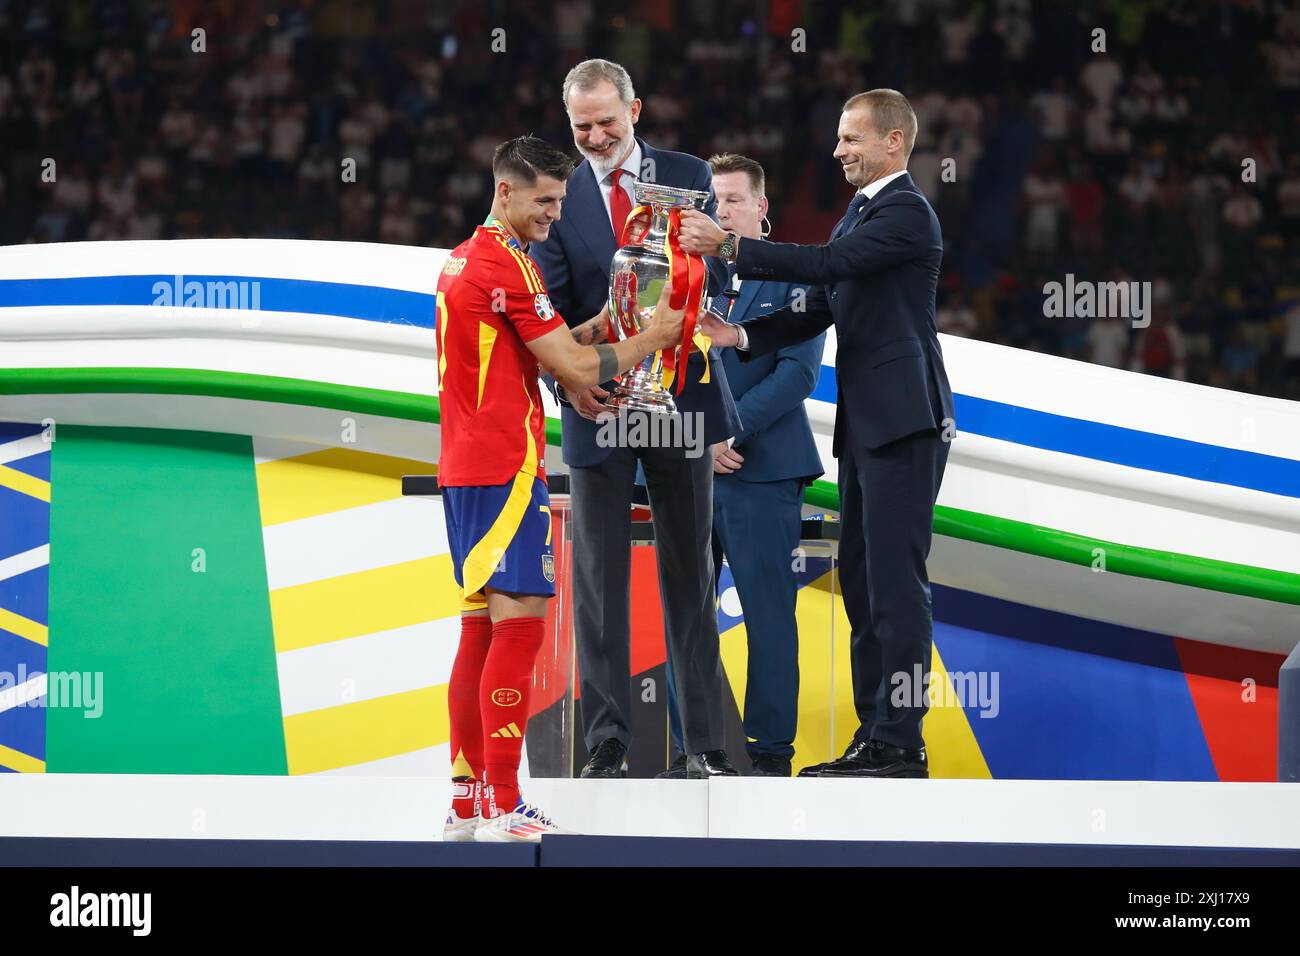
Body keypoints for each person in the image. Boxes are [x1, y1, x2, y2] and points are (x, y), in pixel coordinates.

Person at [680, 89, 954, 779]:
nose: (837, 151)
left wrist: (735, 247)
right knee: (864, 583)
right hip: (870, 427)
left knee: (895, 585)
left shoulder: (907, 213)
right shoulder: (861, 214)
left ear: (894, 141)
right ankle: (877, 737)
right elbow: (818, 305)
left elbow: (827, 270)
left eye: (851, 138)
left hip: (906, 421)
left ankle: (901, 743)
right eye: (837, 138)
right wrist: (740, 331)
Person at [438, 135, 684, 843]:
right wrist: (651, 337)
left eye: (562, 200)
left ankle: (468, 798)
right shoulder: (503, 265)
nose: (555, 213)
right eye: (545, 200)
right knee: (520, 626)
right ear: (506, 191)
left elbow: (536, 352)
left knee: (481, 629)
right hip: (502, 467)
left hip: (472, 465)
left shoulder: (475, 257)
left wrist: (607, 324)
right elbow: (574, 368)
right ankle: (506, 799)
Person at [531, 58, 741, 779]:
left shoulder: (688, 175)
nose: (593, 136)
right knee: (598, 582)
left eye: (605, 122)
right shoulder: (555, 194)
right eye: (581, 125)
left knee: (689, 575)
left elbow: (719, 274)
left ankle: (703, 745)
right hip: (597, 407)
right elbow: (547, 309)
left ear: (636, 110)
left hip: (679, 399)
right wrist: (572, 385)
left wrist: (705, 269)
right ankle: (608, 742)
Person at [704, 153, 825, 778]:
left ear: (760, 208)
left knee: (769, 616)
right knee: (684, 618)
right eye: (711, 200)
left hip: (763, 469)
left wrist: (726, 428)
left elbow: (798, 374)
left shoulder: (793, 276)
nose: (718, 211)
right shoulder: (679, 275)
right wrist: (696, 441)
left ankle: (770, 753)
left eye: (730, 199)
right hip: (687, 471)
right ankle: (695, 750)